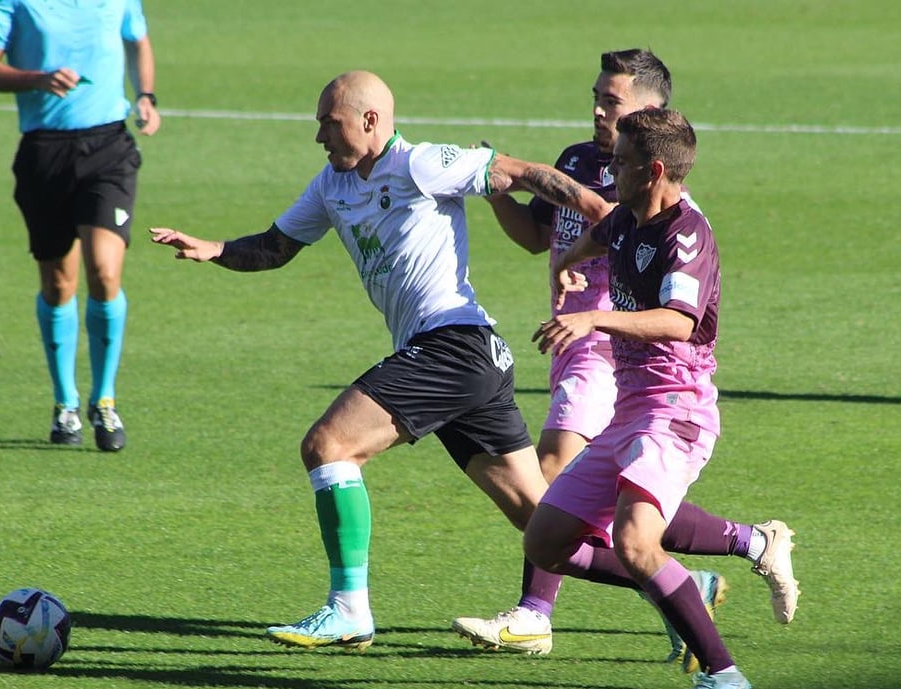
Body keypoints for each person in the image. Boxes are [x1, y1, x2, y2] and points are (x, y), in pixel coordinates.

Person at [147, 70, 612, 650]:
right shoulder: (330, 185)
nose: (319, 136)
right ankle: (675, 583)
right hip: (469, 362)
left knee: (328, 447)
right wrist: (212, 248)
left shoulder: (419, 163)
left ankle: (348, 610)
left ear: (369, 120)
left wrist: (595, 208)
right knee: (543, 524)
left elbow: (521, 172)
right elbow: (274, 247)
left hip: (453, 345)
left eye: (328, 122)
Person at [452, 49, 727, 670]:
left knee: (553, 472)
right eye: (597, 99)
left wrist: (592, 309)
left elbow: (675, 309)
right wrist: (502, 198)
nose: (600, 112)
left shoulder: (666, 206)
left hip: (610, 349)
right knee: (622, 502)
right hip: (572, 341)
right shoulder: (578, 161)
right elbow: (536, 237)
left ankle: (534, 615)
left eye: (614, 102)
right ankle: (706, 573)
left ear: (653, 113)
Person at [522, 107, 799, 689]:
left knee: (635, 540)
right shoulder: (627, 216)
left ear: (653, 170)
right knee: (544, 542)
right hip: (629, 409)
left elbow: (678, 322)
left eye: (620, 163)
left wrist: (594, 314)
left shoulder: (687, 233)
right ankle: (731, 556)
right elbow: (601, 233)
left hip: (677, 410)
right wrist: (569, 267)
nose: (609, 169)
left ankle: (726, 675)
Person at [0, 0, 163, 452]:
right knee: (59, 285)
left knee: (105, 272)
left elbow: (137, 39)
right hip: (44, 152)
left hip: (108, 148)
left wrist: (147, 95)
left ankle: (105, 400)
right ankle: (65, 404)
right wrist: (39, 79)